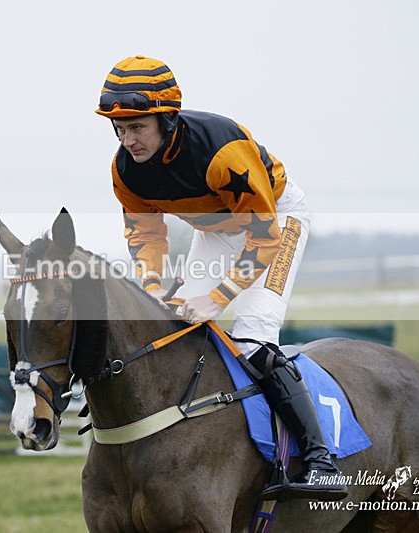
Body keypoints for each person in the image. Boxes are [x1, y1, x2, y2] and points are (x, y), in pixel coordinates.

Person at [96, 55, 347, 501]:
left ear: (166, 119)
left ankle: (320, 459)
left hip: (274, 225)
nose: (127, 139)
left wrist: (220, 296)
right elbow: (146, 232)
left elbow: (264, 236)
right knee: (173, 329)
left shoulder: (221, 152)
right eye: (119, 128)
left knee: (251, 341)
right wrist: (154, 291)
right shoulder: (125, 170)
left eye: (137, 127)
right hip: (214, 231)